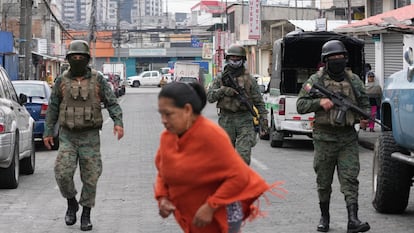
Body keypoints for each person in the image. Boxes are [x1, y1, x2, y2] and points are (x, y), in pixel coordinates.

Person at [154, 82, 285, 233]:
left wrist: (211, 206)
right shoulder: (167, 137)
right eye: (161, 114)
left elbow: (239, 176)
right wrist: (162, 197)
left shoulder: (211, 135)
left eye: (168, 114)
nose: (163, 120)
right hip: (193, 214)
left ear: (187, 110)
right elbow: (163, 171)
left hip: (221, 213)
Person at [43, 40, 124, 231]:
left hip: (90, 136)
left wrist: (118, 122)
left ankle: (86, 213)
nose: (77, 59)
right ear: (69, 59)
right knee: (62, 173)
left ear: (87, 59)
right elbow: (53, 107)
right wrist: (48, 131)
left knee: (91, 177)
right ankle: (71, 203)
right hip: (67, 136)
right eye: (74, 57)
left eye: (81, 57)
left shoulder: (98, 80)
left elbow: (112, 102)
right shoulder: (61, 81)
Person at [296, 40, 371, 233]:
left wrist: (364, 118)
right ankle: (324, 217)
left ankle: (353, 220)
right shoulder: (315, 80)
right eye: (333, 58)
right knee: (323, 181)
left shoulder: (354, 80)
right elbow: (300, 105)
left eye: (340, 57)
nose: (337, 60)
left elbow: (364, 103)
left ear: (345, 58)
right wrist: (320, 103)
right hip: (324, 138)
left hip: (347, 138)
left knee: (350, 179)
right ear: (325, 60)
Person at [207, 44, 268, 165]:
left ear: (243, 60)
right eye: (232, 58)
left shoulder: (249, 79)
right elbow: (210, 97)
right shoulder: (220, 78)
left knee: (243, 156)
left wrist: (263, 119)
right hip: (226, 120)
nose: (234, 61)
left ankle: (241, 181)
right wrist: (223, 90)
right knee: (224, 157)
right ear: (228, 59)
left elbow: (259, 102)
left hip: (244, 119)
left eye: (237, 59)